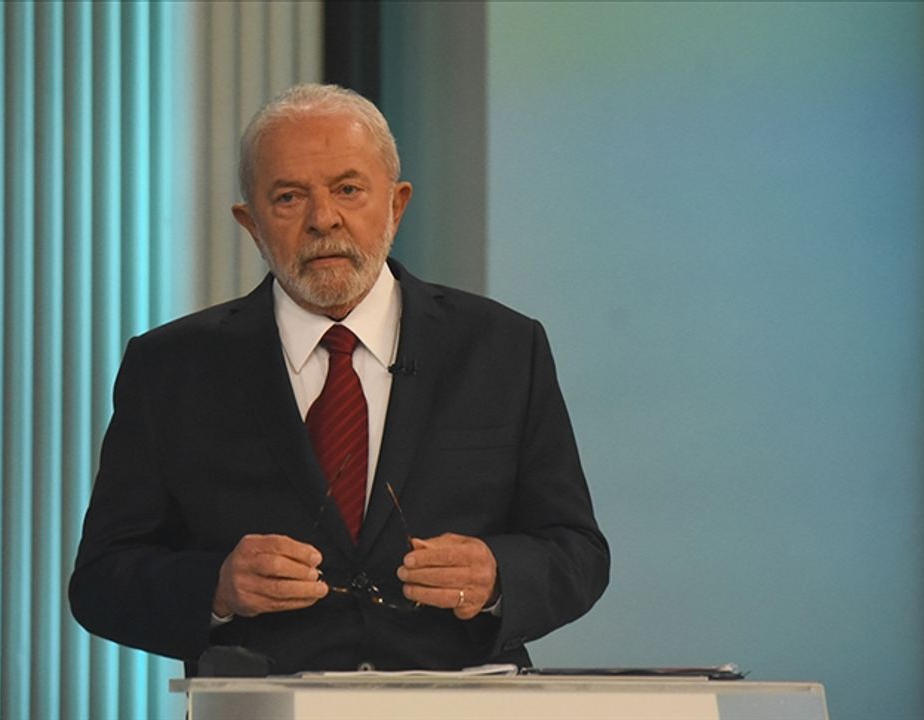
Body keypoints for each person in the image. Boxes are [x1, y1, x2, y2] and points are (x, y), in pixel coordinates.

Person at [69, 83, 609, 674]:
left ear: (396, 205)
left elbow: (577, 551)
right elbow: (101, 580)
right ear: (250, 224)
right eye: (288, 197)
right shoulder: (171, 367)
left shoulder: (503, 347)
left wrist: (498, 577)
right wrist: (217, 586)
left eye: (348, 190)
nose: (323, 219)